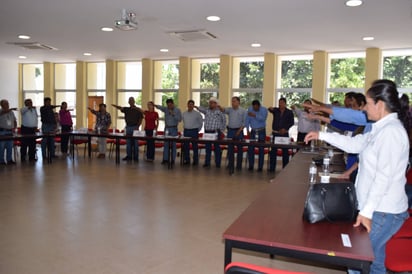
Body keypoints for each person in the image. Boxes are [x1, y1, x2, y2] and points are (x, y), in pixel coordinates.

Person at [304, 80, 410, 274]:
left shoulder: (392, 133)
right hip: (377, 208)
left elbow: (383, 177)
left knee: (355, 259)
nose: (365, 109)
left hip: (382, 210)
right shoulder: (379, 128)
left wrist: (366, 212)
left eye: (368, 103)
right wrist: (321, 134)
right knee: (374, 261)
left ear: (380, 104)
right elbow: (355, 144)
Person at [196, 97, 226, 168]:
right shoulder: (207, 110)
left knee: (217, 148)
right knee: (208, 148)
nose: (210, 104)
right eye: (209, 103)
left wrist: (221, 130)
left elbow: (224, 121)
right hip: (207, 132)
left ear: (216, 104)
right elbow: (200, 109)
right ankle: (207, 162)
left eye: (212, 103)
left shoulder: (220, 111)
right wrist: (196, 107)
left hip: (216, 132)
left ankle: (218, 163)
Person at [112, 97, 143, 162]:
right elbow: (120, 108)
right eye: (129, 101)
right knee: (128, 142)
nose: (131, 102)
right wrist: (114, 106)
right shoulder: (127, 109)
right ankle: (129, 156)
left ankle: (136, 157)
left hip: (135, 127)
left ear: (134, 101)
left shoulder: (138, 109)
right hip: (128, 127)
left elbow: (141, 119)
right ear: (128, 102)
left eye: (132, 100)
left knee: (135, 143)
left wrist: (138, 126)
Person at [220, 96, 246, 171]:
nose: (232, 103)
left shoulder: (243, 111)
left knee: (239, 149)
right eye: (232, 101)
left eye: (234, 101)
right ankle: (230, 164)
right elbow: (223, 110)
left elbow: (244, 123)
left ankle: (239, 166)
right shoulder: (230, 110)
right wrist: (219, 106)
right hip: (230, 131)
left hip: (239, 131)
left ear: (238, 102)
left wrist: (239, 131)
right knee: (230, 149)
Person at [268, 97, 294, 172]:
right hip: (275, 133)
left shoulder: (289, 112)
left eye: (282, 102)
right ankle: (272, 168)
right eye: (279, 102)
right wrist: (270, 108)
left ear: (285, 104)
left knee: (285, 152)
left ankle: (285, 169)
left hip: (284, 134)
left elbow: (291, 122)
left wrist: (285, 129)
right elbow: (269, 109)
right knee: (273, 151)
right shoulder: (276, 110)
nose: (280, 104)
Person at [155, 99, 182, 165]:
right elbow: (161, 107)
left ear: (173, 104)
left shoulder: (177, 110)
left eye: (170, 105)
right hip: (167, 128)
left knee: (173, 145)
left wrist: (173, 114)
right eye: (168, 105)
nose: (169, 106)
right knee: (166, 144)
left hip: (174, 128)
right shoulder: (166, 109)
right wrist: (155, 105)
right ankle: (165, 159)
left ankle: (172, 160)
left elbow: (180, 119)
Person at [244, 100, 268, 172]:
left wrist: (255, 115)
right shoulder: (250, 109)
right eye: (253, 107)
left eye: (256, 108)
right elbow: (247, 120)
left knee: (261, 149)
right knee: (251, 148)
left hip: (261, 131)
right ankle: (251, 165)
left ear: (259, 106)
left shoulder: (264, 110)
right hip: (253, 131)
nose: (254, 109)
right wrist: (247, 130)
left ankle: (260, 167)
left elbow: (263, 119)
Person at [182, 100, 203, 166]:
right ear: (187, 105)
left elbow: (201, 122)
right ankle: (187, 160)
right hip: (186, 131)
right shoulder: (184, 113)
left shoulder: (197, 114)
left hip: (194, 131)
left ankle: (195, 161)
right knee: (186, 147)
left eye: (192, 104)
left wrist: (197, 130)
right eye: (189, 104)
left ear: (193, 106)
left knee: (195, 147)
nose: (190, 105)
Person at [0, 99, 17, 165]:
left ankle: (9, 159)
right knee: (1, 147)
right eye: (6, 104)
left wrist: (15, 127)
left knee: (10, 146)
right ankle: (1, 160)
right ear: (1, 105)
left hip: (10, 131)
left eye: (8, 104)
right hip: (2, 132)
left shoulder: (11, 112)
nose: (7, 105)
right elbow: (3, 113)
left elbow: (14, 120)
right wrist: (10, 109)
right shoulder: (1, 111)